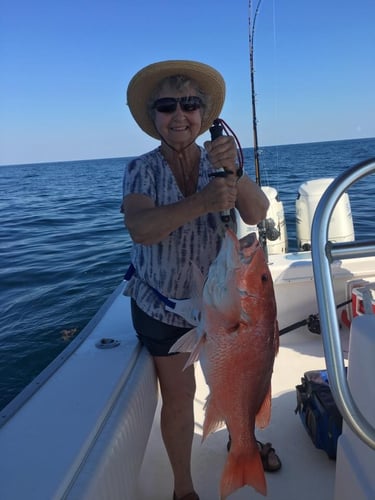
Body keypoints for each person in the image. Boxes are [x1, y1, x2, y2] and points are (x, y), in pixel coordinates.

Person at [121, 60, 280, 500]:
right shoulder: (141, 169)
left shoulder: (221, 163)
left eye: (190, 104)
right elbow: (140, 228)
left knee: (241, 374)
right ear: (153, 116)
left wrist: (236, 172)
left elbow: (257, 212)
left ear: (203, 115)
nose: (180, 115)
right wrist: (203, 201)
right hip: (162, 305)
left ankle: (241, 437)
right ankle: (184, 489)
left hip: (220, 301)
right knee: (180, 394)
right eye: (167, 105)